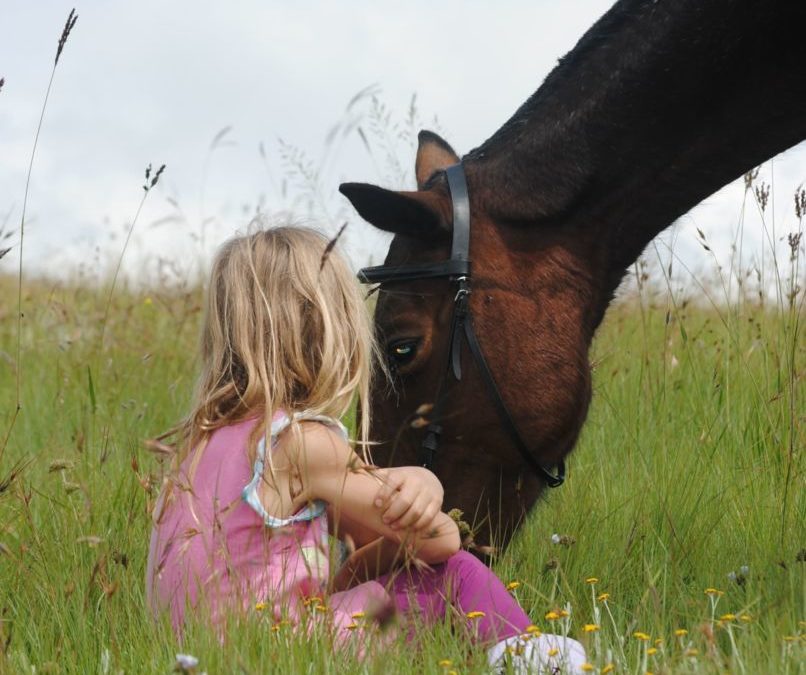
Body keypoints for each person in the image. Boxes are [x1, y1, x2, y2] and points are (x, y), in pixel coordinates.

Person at [146, 226, 586, 672]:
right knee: (456, 573)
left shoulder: (200, 447)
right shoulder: (300, 442)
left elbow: (367, 548)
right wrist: (426, 485)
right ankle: (537, 662)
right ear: (328, 330)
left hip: (207, 657)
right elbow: (439, 540)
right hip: (283, 653)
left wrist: (389, 527)